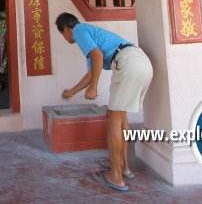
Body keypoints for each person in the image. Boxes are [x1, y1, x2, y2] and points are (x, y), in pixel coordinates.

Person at [56, 12, 153, 192]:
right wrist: (72, 91)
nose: (65, 37)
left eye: (62, 33)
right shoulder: (89, 33)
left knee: (113, 120)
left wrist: (93, 87)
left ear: (67, 29)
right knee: (119, 116)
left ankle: (115, 176)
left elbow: (97, 57)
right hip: (142, 62)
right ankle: (123, 167)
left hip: (127, 63)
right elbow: (93, 68)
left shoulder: (79, 31)